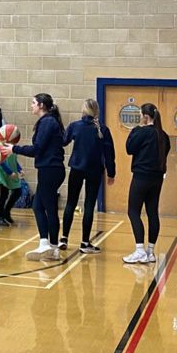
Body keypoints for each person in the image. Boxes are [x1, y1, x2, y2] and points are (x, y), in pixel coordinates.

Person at [7, 93, 66, 261]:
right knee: (38, 206)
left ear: (41, 105)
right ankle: (45, 243)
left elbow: (37, 149)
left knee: (48, 208)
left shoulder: (47, 122)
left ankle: (52, 247)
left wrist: (14, 149)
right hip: (50, 169)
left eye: (33, 103)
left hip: (50, 169)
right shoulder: (48, 121)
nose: (31, 105)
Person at [61, 99, 116, 254]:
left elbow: (63, 141)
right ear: (96, 111)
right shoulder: (103, 129)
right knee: (89, 205)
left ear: (83, 110)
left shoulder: (75, 126)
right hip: (95, 170)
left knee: (71, 203)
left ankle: (64, 238)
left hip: (77, 168)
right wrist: (111, 172)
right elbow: (110, 154)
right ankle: (85, 242)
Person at [122, 103, 171, 264]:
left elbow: (129, 148)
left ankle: (139, 250)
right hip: (157, 178)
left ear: (145, 116)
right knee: (152, 212)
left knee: (133, 211)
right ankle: (150, 252)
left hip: (141, 176)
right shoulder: (163, 135)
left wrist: (135, 130)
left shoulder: (140, 132)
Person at [0, 130, 23, 227]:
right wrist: (9, 172)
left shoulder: (11, 147)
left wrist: (19, 169)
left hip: (12, 173)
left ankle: (6, 212)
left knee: (18, 191)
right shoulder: (0, 148)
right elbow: (1, 162)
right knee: (3, 194)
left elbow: (14, 160)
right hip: (3, 174)